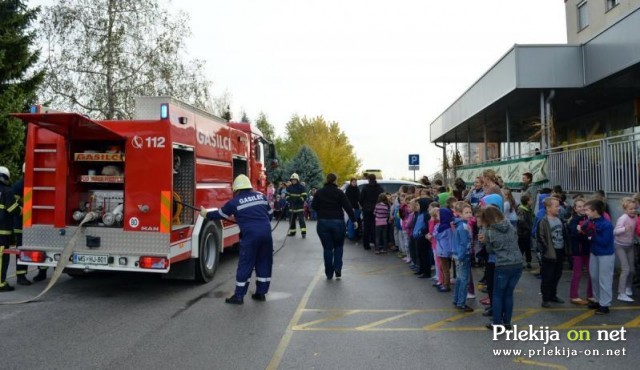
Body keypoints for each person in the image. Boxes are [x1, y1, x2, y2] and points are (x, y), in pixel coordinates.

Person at [200, 175, 273, 304]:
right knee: (264, 262)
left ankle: (239, 296)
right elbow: (270, 214)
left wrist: (206, 214)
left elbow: (220, 214)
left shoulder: (235, 202)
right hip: (266, 235)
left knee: (246, 264)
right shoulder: (261, 196)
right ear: (249, 187)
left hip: (250, 236)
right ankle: (261, 293)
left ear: (237, 190)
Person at [480, 206, 523, 330]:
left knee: (498, 294)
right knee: (509, 294)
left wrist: (485, 242)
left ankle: (497, 323)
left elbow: (490, 250)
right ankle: (507, 322)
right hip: (517, 263)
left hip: (503, 264)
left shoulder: (490, 231)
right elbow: (516, 239)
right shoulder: (509, 225)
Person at [311, 173, 356, 280]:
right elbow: (348, 207)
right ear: (335, 181)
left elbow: (313, 207)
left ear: (327, 180)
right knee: (338, 247)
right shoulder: (339, 193)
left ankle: (329, 273)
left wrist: (322, 211)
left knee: (327, 248)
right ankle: (338, 268)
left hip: (323, 223)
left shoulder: (319, 192)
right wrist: (354, 220)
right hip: (338, 222)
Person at [581, 199, 615, 315]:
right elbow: (587, 230)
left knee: (604, 279)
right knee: (594, 277)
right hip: (594, 253)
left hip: (605, 254)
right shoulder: (592, 221)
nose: (585, 212)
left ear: (595, 211)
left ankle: (605, 304)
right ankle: (597, 300)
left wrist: (591, 234)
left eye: (588, 210)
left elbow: (604, 241)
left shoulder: (606, 224)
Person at [536, 197, 569, 308]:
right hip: (549, 252)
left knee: (557, 275)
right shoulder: (544, 221)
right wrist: (546, 250)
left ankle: (553, 295)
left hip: (559, 251)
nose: (558, 208)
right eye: (556, 206)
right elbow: (540, 237)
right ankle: (545, 298)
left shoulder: (559, 219)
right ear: (548, 208)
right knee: (547, 276)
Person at [567, 198, 593, 305]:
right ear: (575, 208)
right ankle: (574, 296)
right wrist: (583, 233)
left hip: (588, 250)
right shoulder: (573, 220)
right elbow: (574, 233)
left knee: (592, 273)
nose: (582, 208)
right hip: (578, 250)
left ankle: (590, 294)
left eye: (584, 206)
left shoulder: (589, 218)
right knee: (577, 274)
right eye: (579, 206)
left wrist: (584, 232)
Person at [613, 197, 638, 302]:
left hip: (630, 245)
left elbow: (636, 229)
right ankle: (621, 293)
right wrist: (624, 229)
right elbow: (615, 231)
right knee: (626, 269)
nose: (633, 211)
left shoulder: (636, 217)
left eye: (635, 208)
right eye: (630, 209)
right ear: (625, 210)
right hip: (620, 246)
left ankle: (628, 288)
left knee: (632, 269)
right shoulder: (623, 218)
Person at [0, 166, 20, 292]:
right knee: (2, 258)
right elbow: (12, 209)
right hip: (2, 231)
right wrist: (23, 210)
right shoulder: (7, 191)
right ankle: (1, 284)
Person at [452, 201, 473, 312]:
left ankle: (456, 299)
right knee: (464, 280)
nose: (469, 214)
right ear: (460, 214)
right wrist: (462, 256)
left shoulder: (459, 224)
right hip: (462, 256)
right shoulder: (464, 226)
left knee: (460, 279)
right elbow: (464, 243)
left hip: (458, 254)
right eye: (466, 212)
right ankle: (461, 302)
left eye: (470, 212)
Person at [359, 174, 384, 250]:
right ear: (375, 179)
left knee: (366, 227)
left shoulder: (365, 188)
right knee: (376, 227)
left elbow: (360, 199)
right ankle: (377, 244)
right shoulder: (379, 188)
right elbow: (382, 198)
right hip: (377, 210)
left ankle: (366, 245)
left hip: (366, 210)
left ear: (369, 179)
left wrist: (364, 206)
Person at [285, 173, 307, 238]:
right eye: (292, 180)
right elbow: (287, 196)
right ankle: (292, 232)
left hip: (299, 207)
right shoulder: (289, 187)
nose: (293, 181)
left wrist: (298, 200)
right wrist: (289, 199)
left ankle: (303, 233)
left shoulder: (301, 187)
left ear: (297, 180)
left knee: (301, 220)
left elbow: (304, 196)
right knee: (291, 220)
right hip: (292, 206)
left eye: (295, 180)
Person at [516, 194, 534, 269]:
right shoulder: (521, 209)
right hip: (523, 233)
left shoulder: (529, 208)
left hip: (527, 232)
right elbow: (521, 221)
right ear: (527, 201)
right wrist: (529, 228)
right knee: (522, 248)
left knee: (528, 248)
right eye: (530, 200)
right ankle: (519, 262)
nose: (532, 201)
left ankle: (528, 262)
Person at [345, 178, 362, 242]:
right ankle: (351, 235)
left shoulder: (357, 188)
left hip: (357, 207)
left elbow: (359, 197)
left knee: (355, 221)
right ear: (351, 182)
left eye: (355, 182)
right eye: (353, 182)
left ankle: (355, 234)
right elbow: (347, 199)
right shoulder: (349, 189)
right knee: (352, 221)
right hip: (352, 207)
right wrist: (351, 207)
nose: (354, 183)